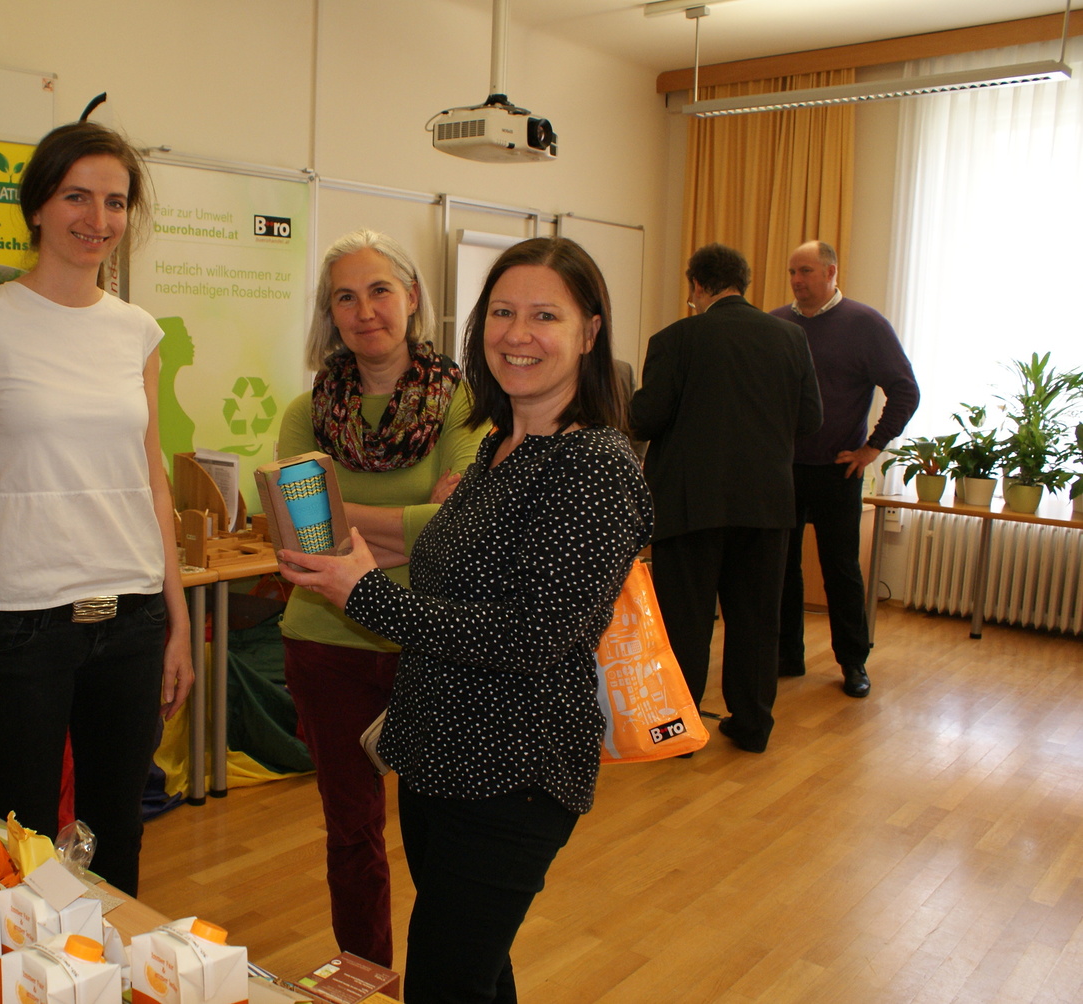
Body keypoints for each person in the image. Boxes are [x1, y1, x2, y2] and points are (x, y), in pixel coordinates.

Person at [280, 236, 652, 1004]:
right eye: (503, 312)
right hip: (437, 761)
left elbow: (531, 635)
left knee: (445, 981)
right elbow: (448, 576)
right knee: (477, 975)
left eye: (545, 315)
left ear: (590, 331)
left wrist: (365, 594)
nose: (518, 334)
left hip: (513, 775)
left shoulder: (594, 466)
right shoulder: (499, 448)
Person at [0, 120, 192, 896]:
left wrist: (178, 619)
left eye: (115, 202)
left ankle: (102, 961)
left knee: (116, 835)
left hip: (131, 619)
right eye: (76, 197)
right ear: (38, 207)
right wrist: (3, 548)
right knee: (22, 845)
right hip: (21, 627)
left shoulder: (137, 333)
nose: (98, 219)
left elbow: (151, 482)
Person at [278, 229, 485, 968]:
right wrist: (415, 525)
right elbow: (302, 538)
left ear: (412, 297)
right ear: (329, 313)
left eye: (379, 291)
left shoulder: (464, 400)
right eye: (346, 297)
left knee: (445, 833)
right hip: (324, 642)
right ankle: (365, 977)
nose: (365, 311)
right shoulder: (307, 411)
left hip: (429, 642)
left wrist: (344, 522)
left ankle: (446, 979)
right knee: (351, 832)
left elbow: (462, 528)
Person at [630, 243, 822, 752]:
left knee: (684, 622)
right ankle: (753, 724)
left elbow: (645, 419)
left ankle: (682, 730)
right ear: (744, 283)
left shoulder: (675, 339)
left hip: (690, 503)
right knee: (756, 621)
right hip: (766, 503)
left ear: (697, 285)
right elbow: (811, 419)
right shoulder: (791, 338)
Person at [770, 241, 919, 699]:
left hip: (839, 471)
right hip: (783, 469)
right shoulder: (777, 324)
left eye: (806, 271)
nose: (797, 280)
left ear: (831, 272)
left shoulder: (866, 325)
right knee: (781, 567)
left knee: (841, 569)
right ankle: (787, 655)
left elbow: (905, 390)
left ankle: (853, 662)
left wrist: (872, 447)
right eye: (792, 272)